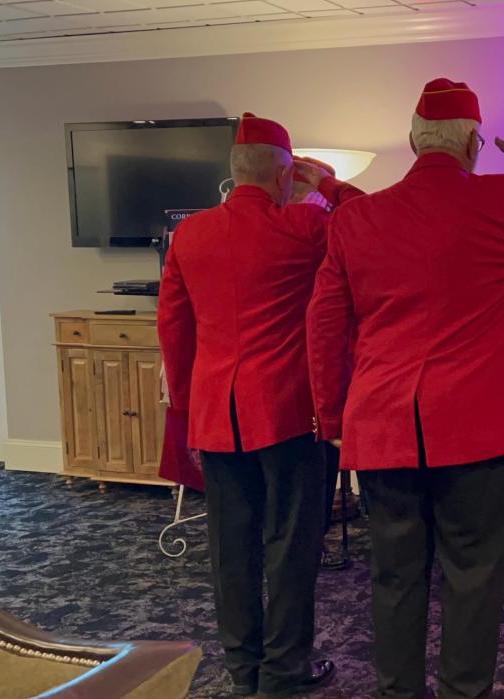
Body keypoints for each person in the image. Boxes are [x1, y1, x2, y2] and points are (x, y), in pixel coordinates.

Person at [306, 78, 504, 699]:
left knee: (394, 576)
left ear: (412, 141)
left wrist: (332, 416)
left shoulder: (357, 218)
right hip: (477, 429)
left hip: (382, 424)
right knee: (473, 575)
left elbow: (326, 325)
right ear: (473, 142)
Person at [158, 112, 362, 698]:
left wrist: (190, 408)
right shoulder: (303, 227)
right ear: (282, 175)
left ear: (232, 175)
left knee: (231, 548)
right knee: (291, 548)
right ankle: (284, 672)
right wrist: (324, 181)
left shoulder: (188, 235)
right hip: (290, 412)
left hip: (217, 414)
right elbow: (370, 220)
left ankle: (243, 670)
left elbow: (174, 328)